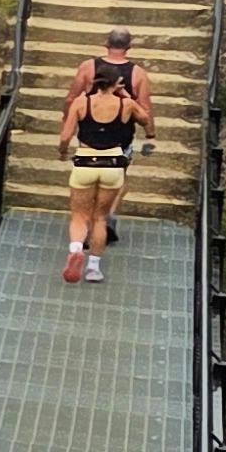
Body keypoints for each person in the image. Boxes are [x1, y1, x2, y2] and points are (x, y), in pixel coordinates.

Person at [59, 26, 152, 280]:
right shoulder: (138, 76)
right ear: (129, 46)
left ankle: (77, 247)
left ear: (105, 43)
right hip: (116, 151)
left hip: (87, 153)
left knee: (79, 213)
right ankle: (94, 267)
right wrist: (151, 134)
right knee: (100, 216)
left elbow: (70, 101)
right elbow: (145, 113)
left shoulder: (87, 71)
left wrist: (63, 143)